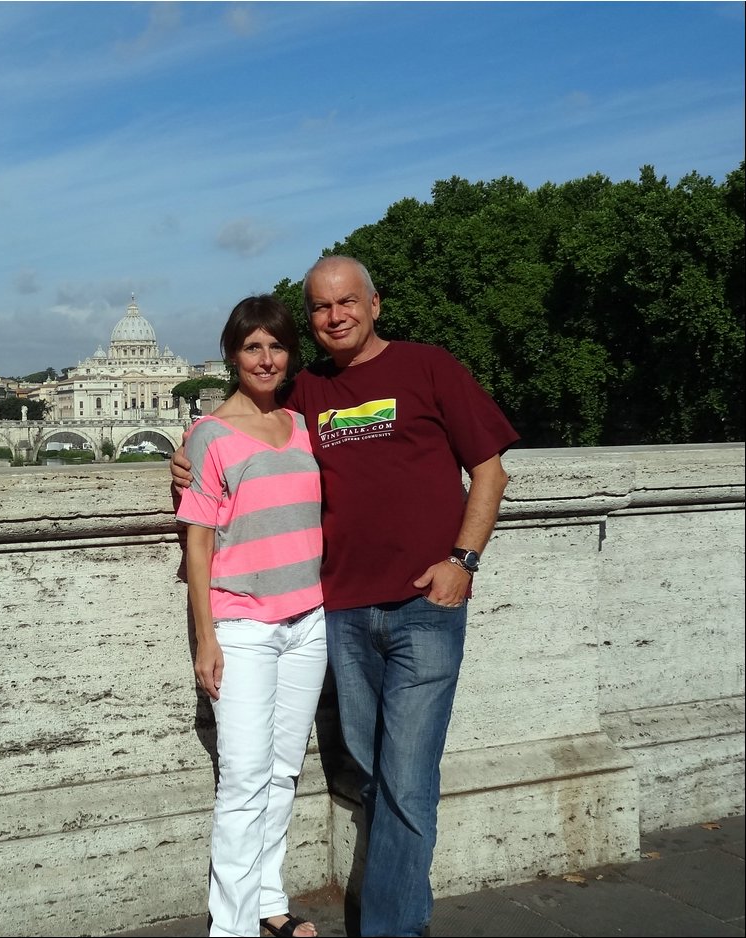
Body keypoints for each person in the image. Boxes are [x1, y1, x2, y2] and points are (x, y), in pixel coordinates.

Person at [173, 257, 520, 937]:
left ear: (375, 304)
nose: (335, 316)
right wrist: (185, 451)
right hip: (343, 613)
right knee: (368, 772)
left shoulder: (429, 367)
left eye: (347, 302)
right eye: (321, 308)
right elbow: (246, 420)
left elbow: (490, 471)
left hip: (424, 606)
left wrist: (464, 560)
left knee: (408, 778)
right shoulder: (308, 392)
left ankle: (393, 929)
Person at [176, 294, 327, 938]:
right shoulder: (208, 434)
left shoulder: (302, 426)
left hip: (309, 621)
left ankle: (268, 901)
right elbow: (199, 545)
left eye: (276, 346)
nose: (265, 359)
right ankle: (229, 928)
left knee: (284, 772)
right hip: (244, 627)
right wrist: (206, 639)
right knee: (242, 779)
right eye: (251, 347)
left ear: (290, 354)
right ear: (232, 355)